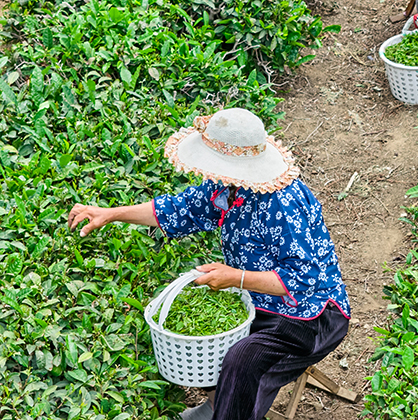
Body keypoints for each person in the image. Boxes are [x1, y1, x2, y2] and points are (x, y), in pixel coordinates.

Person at [67, 108, 351, 420]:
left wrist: (235, 277)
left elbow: (301, 278)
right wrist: (111, 213)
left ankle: (228, 411)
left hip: (309, 314)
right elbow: (176, 210)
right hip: (257, 300)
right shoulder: (227, 187)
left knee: (242, 360)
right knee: (203, 336)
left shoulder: (282, 203)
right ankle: (217, 405)